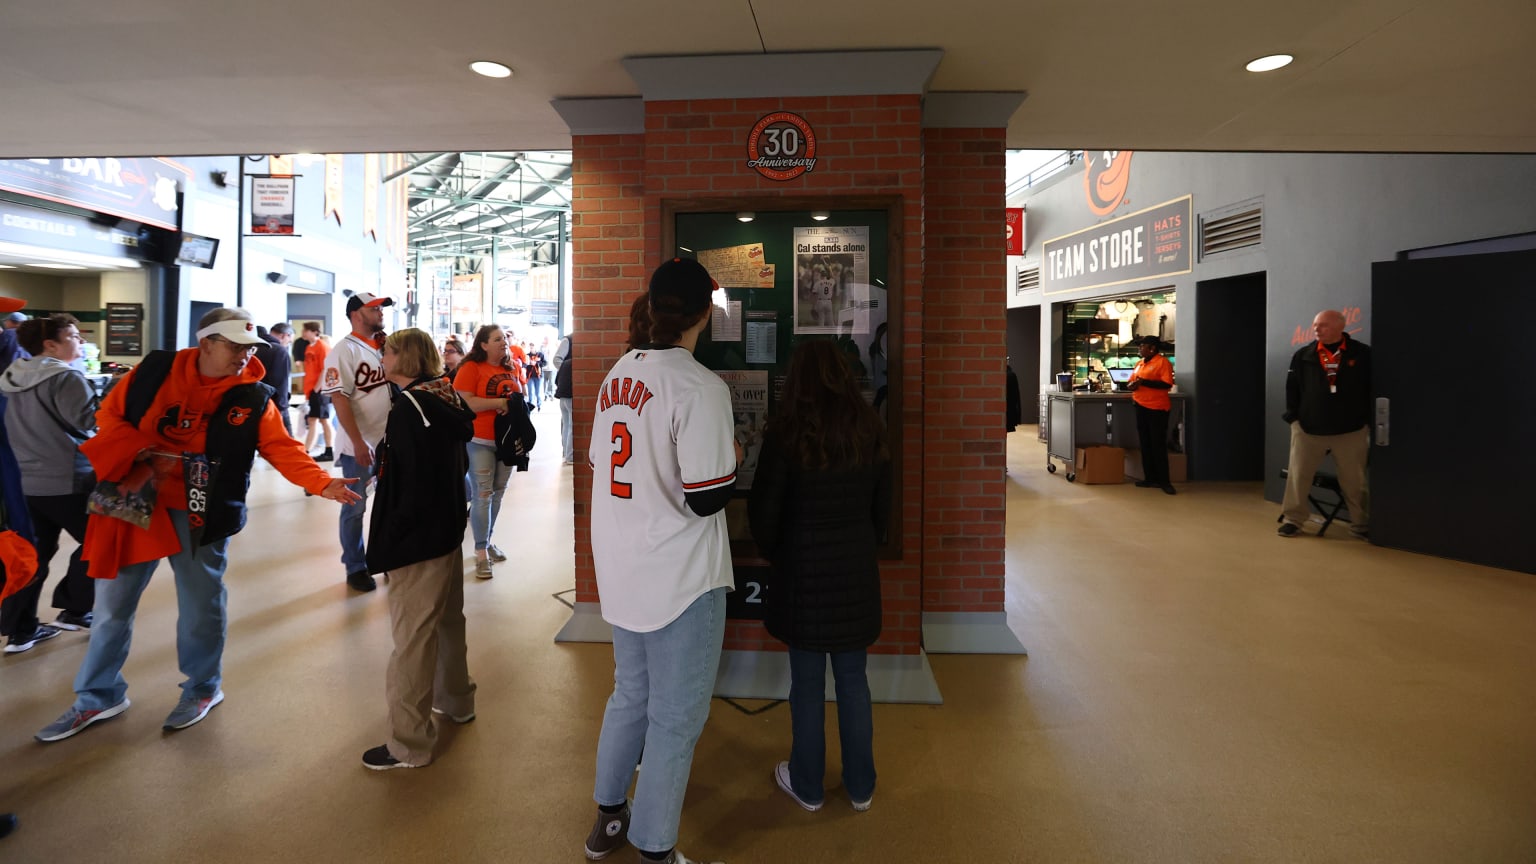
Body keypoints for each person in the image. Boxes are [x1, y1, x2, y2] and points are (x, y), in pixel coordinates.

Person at [34, 308, 359, 743]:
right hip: (133, 501)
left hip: (200, 511)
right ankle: (97, 696)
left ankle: (203, 688)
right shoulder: (153, 373)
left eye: (250, 347)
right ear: (205, 343)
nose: (244, 355)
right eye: (234, 345)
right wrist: (144, 450)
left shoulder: (252, 397)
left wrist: (321, 482)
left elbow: (282, 447)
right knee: (112, 606)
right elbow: (109, 416)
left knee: (201, 606)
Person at [581, 258, 737, 864]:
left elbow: (606, 466)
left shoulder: (618, 371)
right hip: (680, 579)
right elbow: (706, 499)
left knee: (629, 697)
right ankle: (655, 849)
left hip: (622, 568)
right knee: (674, 720)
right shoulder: (701, 386)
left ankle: (610, 820)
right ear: (702, 313)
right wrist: (736, 449)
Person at [747, 340, 891, 815]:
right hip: (854, 579)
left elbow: (763, 519)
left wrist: (779, 553)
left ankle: (807, 786)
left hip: (802, 581)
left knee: (806, 686)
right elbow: (883, 516)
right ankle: (861, 786)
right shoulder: (869, 428)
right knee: (854, 682)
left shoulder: (786, 433)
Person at [360, 328, 477, 770]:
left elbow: (407, 483)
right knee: (448, 622)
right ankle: (458, 701)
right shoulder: (444, 396)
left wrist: (394, 540)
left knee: (412, 639)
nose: (382, 356)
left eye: (388, 351)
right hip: (447, 530)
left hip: (417, 541)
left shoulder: (408, 409)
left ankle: (408, 743)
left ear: (404, 358)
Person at [0, 314, 97, 653]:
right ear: (50, 345)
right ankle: (76, 609)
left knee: (34, 553)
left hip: (26, 482)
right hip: (68, 478)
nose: (80, 341)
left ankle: (20, 629)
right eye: (73, 335)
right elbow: (88, 423)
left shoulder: (12, 376)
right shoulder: (66, 377)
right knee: (98, 541)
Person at [1279, 309, 1372, 539]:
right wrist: (1294, 419)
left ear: (1340, 327)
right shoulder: (1303, 355)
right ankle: (1293, 519)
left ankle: (1361, 524)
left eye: (1323, 325)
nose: (1316, 329)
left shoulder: (1361, 354)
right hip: (1309, 429)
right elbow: (1292, 388)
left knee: (1354, 481)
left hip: (1350, 430)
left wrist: (1366, 420)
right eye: (1315, 325)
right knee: (1298, 477)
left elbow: (1371, 387)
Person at [324, 293, 395, 593]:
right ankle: (355, 566)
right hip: (361, 445)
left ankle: (390, 557)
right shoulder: (343, 350)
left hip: (390, 441)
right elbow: (339, 398)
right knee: (355, 508)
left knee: (392, 503)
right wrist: (357, 441)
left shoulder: (386, 346)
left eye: (381, 308)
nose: (380, 312)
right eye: (373, 308)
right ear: (356, 313)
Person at [453, 325, 519, 578]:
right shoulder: (471, 368)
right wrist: (499, 403)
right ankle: (480, 551)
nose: (503, 342)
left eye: (504, 337)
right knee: (483, 494)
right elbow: (464, 401)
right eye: (497, 339)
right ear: (483, 344)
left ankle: (488, 541)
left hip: (507, 441)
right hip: (479, 439)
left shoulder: (510, 367)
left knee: (498, 493)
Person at [1128, 335, 1176, 495]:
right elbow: (1132, 381)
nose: (1139, 349)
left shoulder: (1163, 363)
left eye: (1142, 346)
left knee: (1158, 445)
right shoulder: (1139, 364)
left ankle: (1164, 482)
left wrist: (1143, 382)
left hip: (1157, 409)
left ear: (1152, 348)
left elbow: (1166, 383)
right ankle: (1149, 478)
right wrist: (1132, 385)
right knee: (1145, 444)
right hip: (1140, 407)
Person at [300, 322, 334, 461]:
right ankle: (308, 450)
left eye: (305, 330)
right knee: (316, 420)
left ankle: (322, 450)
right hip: (311, 390)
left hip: (319, 390)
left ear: (314, 332)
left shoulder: (323, 347)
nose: (303, 332)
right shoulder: (309, 347)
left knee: (320, 420)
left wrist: (316, 389)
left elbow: (325, 369)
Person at [257, 322, 295, 436]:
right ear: (284, 336)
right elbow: (280, 382)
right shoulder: (279, 351)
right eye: (289, 342)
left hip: (253, 402)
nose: (288, 345)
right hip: (274, 405)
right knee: (286, 444)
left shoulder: (253, 348)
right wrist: (282, 407)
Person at [553, 334, 574, 465]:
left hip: (564, 389)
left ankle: (567, 453)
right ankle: (569, 455)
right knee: (570, 424)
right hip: (569, 388)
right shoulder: (569, 340)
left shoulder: (570, 340)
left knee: (567, 423)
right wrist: (571, 370)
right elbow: (556, 359)